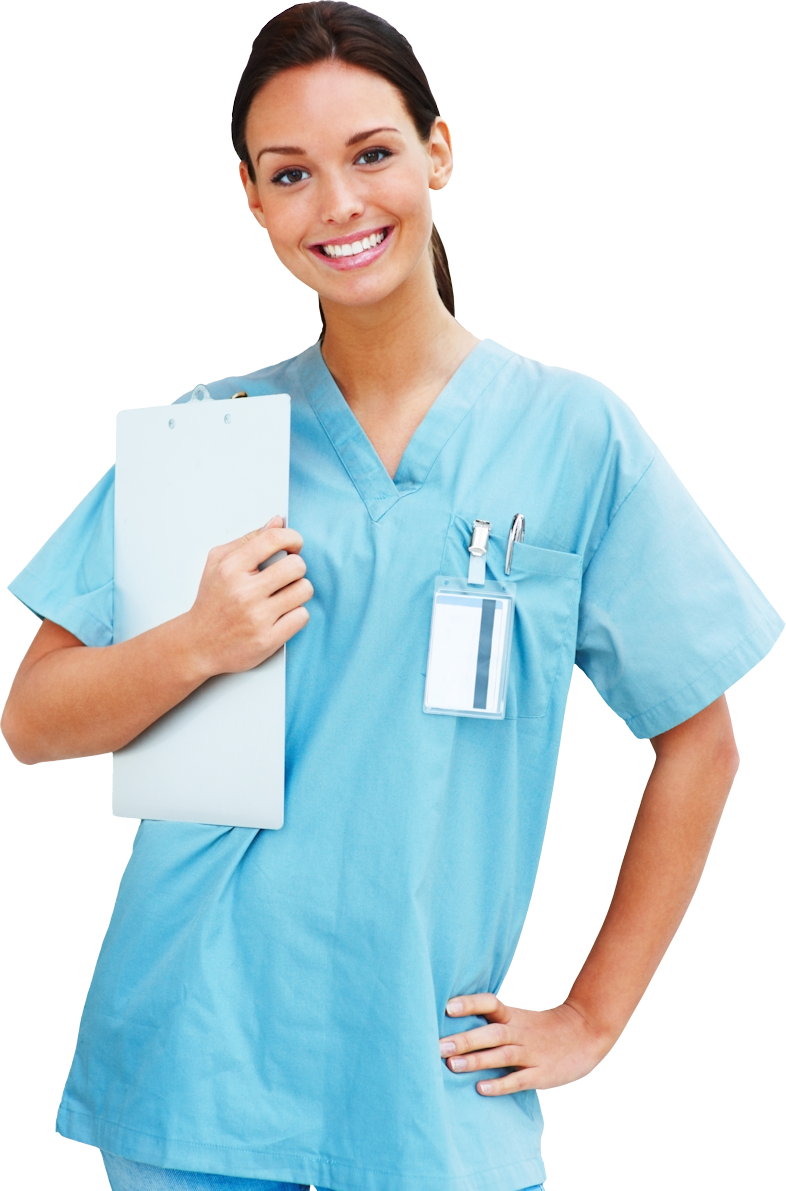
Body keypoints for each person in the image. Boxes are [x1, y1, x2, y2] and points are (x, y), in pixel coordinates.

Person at [2, 4, 782, 1190]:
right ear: (253, 201)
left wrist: (592, 1016)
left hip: (432, 1080)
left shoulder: (576, 434)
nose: (339, 204)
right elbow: (32, 721)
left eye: (370, 154)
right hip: (192, 1065)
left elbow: (701, 744)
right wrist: (197, 643)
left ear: (438, 152)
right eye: (290, 174)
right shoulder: (211, 434)